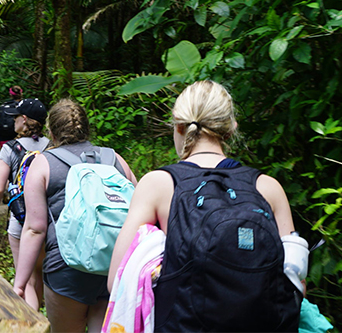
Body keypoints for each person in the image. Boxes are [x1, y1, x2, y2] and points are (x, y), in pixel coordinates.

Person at [107, 80, 301, 332]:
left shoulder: (158, 185)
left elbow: (118, 282)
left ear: (178, 126)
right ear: (231, 129)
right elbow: (296, 282)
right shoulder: (268, 187)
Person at [13, 98, 137, 332]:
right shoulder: (116, 160)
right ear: (86, 128)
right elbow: (140, 213)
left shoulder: (42, 163)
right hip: (113, 266)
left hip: (67, 267)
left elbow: (35, 228)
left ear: (51, 131)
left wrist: (20, 284)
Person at [0, 98, 50, 310]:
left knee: (26, 279)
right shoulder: (52, 146)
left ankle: (31, 324)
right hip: (47, 219)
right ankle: (41, 320)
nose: (13, 121)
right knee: (38, 276)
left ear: (25, 120)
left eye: (16, 117)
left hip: (21, 221)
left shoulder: (10, 149)